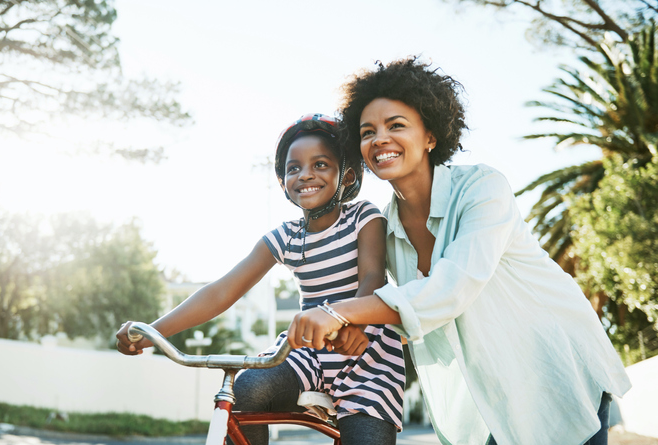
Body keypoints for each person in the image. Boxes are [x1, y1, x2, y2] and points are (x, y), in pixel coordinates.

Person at [286, 58, 632, 445]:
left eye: (396, 125)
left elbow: (451, 289)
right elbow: (405, 309)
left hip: (555, 367)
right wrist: (358, 327)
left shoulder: (483, 188)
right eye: (367, 132)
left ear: (430, 136)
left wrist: (337, 312)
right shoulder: (385, 227)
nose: (379, 138)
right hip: (489, 391)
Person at [116, 114, 406, 445]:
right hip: (308, 353)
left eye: (321, 164)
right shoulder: (285, 237)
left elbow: (373, 275)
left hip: (367, 356)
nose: (305, 174)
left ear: (347, 175)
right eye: (293, 168)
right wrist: (153, 333)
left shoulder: (363, 217)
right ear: (283, 182)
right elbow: (222, 291)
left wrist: (354, 324)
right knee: (246, 389)